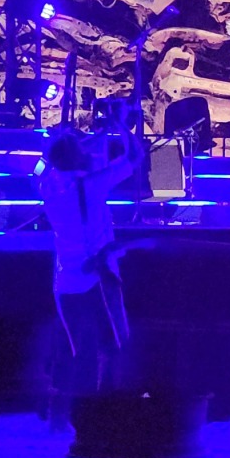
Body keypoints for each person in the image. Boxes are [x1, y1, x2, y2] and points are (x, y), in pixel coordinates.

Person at [37, 126, 136, 395]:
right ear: (77, 156)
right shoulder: (93, 184)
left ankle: (72, 408)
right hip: (96, 276)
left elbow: (42, 163)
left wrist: (64, 142)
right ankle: (105, 407)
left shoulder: (47, 185)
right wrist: (122, 125)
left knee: (77, 351)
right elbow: (133, 157)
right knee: (113, 344)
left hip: (65, 280)